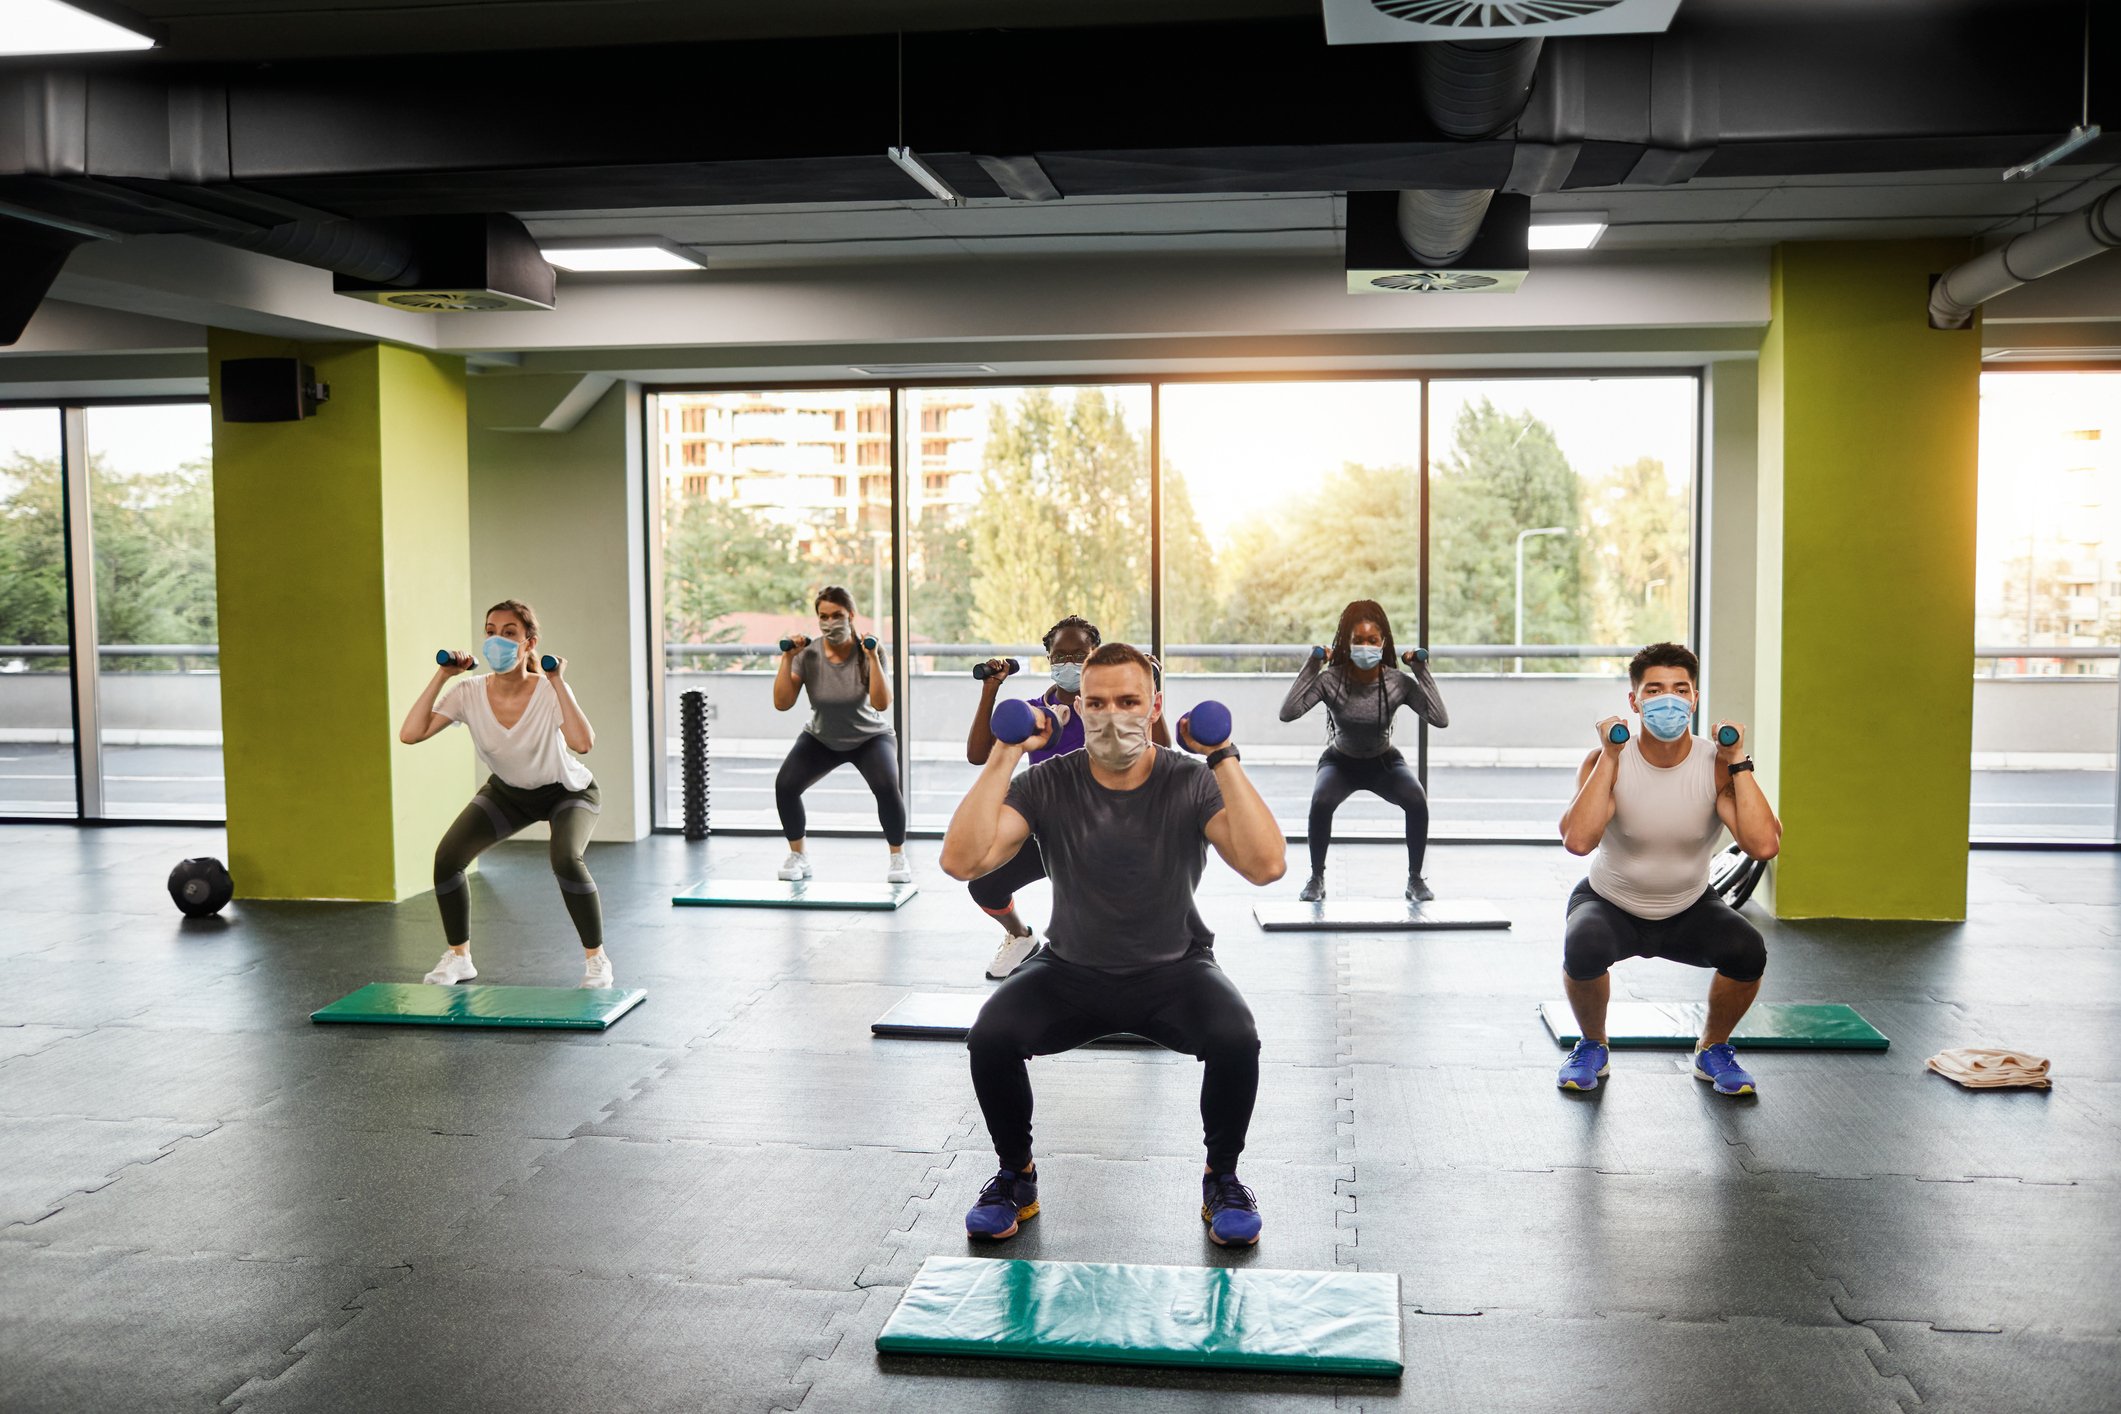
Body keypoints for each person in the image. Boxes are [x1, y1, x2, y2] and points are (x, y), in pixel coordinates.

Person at [940, 642, 1288, 1247]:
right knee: (991, 1035)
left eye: (1128, 701)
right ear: (1077, 709)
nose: (1112, 716)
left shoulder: (1188, 780)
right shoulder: (1049, 780)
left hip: (1175, 970)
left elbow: (1267, 866)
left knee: (1237, 1037)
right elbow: (961, 860)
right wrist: (1005, 752)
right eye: (1096, 703)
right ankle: (1015, 1177)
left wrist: (1223, 757)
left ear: (1154, 707)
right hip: (1071, 970)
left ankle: (1222, 1178)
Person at [1555, 642, 1782, 1097]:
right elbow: (1579, 841)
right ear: (1635, 702)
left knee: (1747, 950)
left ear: (1695, 699)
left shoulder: (1717, 766)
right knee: (1583, 945)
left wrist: (1738, 760)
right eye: (1655, 690)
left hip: (1689, 906)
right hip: (1610, 903)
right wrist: (1611, 758)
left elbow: (1762, 844)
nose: (1669, 700)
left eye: (1681, 690)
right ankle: (1592, 1044)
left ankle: (1713, 1048)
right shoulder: (1605, 763)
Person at [399, 599, 612, 988]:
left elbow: (582, 744)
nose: (497, 640)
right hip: (509, 793)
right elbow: (411, 734)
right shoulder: (468, 692)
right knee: (447, 859)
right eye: (491, 631)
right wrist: (442, 675)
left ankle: (597, 960)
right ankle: (459, 957)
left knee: (565, 859)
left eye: (509, 633)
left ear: (529, 643)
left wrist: (558, 681)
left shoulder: (548, 691)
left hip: (567, 792)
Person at [964, 615, 1171, 981]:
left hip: (1104, 833)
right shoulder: (1033, 711)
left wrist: (1149, 689)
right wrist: (990, 690)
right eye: (1060, 656)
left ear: (1096, 657)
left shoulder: (1110, 707)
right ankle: (1020, 937)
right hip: (1046, 833)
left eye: (1080, 655)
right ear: (1048, 659)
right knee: (983, 884)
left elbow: (1163, 752)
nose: (1069, 664)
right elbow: (978, 754)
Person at [1280, 599, 1450, 903]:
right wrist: (1312, 664)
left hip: (1383, 763)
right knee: (1321, 801)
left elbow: (1440, 719)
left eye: (1372, 640)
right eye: (1358, 640)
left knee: (1416, 800)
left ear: (1383, 643)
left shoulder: (1398, 682)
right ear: (1348, 642)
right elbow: (1288, 712)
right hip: (1340, 763)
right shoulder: (1331, 680)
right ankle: (1316, 877)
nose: (1365, 646)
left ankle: (1415, 879)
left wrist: (1420, 670)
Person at [772, 585, 910, 884]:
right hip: (822, 737)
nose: (830, 622)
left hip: (870, 737)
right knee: (785, 785)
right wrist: (786, 659)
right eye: (823, 616)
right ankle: (799, 855)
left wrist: (872, 657)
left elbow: (881, 703)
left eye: (837, 615)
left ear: (851, 615)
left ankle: (898, 857)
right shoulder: (807, 654)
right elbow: (782, 703)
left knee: (887, 786)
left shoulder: (869, 650)